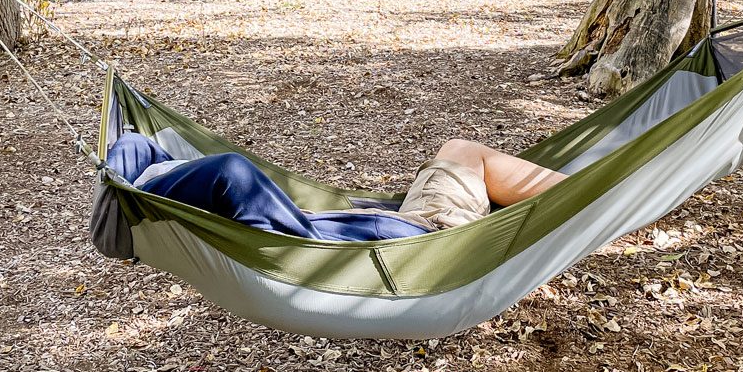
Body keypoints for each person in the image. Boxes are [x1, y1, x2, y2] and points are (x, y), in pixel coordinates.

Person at [105, 131, 566, 242]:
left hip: (413, 228)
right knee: (466, 151)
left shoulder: (259, 216)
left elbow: (131, 144)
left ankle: (600, 190)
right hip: (429, 237)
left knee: (461, 149)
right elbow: (228, 173)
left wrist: (141, 166)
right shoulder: (267, 222)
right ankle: (598, 190)